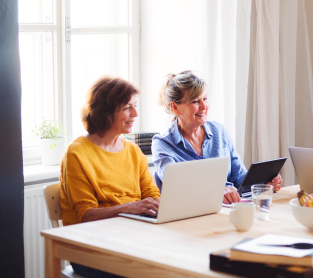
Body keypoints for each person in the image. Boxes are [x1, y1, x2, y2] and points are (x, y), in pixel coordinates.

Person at [60, 76, 160, 278]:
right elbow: (86, 215)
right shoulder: (77, 153)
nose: (135, 114)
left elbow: (152, 194)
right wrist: (128, 208)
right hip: (91, 249)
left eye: (135, 106)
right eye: (127, 108)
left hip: (133, 238)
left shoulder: (133, 151)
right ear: (105, 113)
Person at [153, 71, 283, 204]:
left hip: (229, 208)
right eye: (195, 101)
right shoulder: (162, 144)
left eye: (205, 99)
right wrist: (216, 192)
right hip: (193, 212)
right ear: (175, 107)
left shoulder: (219, 131)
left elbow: (240, 178)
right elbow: (177, 185)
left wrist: (262, 185)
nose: (204, 106)